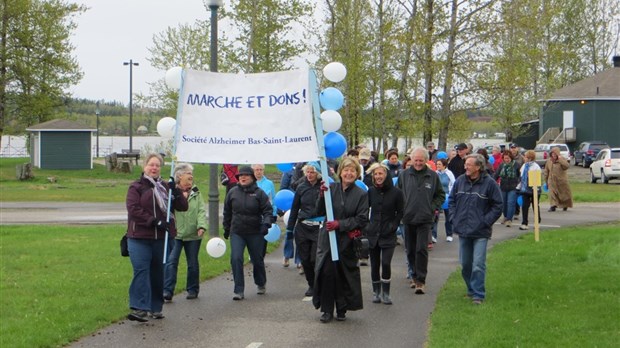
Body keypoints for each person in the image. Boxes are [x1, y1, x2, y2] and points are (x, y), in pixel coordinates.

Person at [126, 153, 188, 322]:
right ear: (144, 166)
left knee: (157, 272)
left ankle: (155, 307)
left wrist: (176, 190)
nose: (154, 168)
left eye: (157, 165)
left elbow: (183, 207)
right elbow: (133, 209)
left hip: (161, 239)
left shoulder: (167, 187)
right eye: (151, 165)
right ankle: (139, 308)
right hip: (138, 237)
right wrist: (153, 221)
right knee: (141, 270)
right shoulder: (136, 187)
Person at [313, 157, 369, 323]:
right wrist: (321, 195)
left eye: (352, 170)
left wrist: (340, 224)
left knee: (343, 274)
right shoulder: (331, 189)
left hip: (347, 241)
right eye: (346, 170)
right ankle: (327, 310)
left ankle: (342, 308)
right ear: (340, 172)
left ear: (357, 174)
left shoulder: (361, 194)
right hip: (328, 239)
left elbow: (361, 219)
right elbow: (319, 210)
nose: (349, 173)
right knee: (327, 273)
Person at [448, 154, 503, 305]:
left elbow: (498, 205)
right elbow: (451, 200)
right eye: (466, 164)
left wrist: (486, 221)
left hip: (481, 231)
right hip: (463, 229)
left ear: (478, 167)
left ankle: (478, 294)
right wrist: (453, 217)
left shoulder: (489, 184)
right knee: (465, 264)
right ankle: (471, 289)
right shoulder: (460, 181)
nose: (466, 167)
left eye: (469, 165)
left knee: (478, 263)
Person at [397, 148, 445, 294]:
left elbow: (440, 195)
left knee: (421, 249)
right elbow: (397, 194)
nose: (418, 163)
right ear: (411, 160)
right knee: (410, 249)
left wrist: (432, 207)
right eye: (415, 160)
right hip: (408, 218)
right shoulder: (404, 175)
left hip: (425, 219)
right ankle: (413, 275)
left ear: (425, 161)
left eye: (421, 161)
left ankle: (421, 280)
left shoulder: (432, 176)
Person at [223, 165, 273, 300]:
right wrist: (226, 228)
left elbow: (268, 210)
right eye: (240, 176)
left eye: (246, 175)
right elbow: (227, 212)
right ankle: (238, 290)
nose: (243, 177)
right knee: (236, 258)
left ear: (252, 178)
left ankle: (261, 283)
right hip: (237, 231)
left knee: (257, 260)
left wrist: (266, 224)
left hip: (255, 232)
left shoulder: (259, 193)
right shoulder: (232, 192)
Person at [163, 163, 207, 301]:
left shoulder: (196, 192)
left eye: (191, 174)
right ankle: (167, 291)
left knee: (192, 263)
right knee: (171, 262)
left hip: (193, 234)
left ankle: (192, 290)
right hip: (176, 234)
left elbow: (201, 210)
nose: (191, 176)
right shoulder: (171, 192)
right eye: (188, 173)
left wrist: (201, 226)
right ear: (179, 176)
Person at [366, 163, 404, 305]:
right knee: (375, 264)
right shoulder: (370, 191)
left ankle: (386, 293)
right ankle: (376, 292)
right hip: (373, 232)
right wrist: (367, 226)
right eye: (375, 174)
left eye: (380, 174)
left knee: (386, 263)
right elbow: (365, 209)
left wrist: (394, 225)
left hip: (388, 233)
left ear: (386, 175)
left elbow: (400, 211)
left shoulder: (396, 193)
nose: (378, 177)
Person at [286, 162, 323, 297]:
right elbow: (295, 209)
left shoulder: (324, 187)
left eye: (312, 172)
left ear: (318, 173)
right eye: (307, 172)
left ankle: (319, 284)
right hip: (302, 227)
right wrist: (289, 229)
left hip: (318, 227)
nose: (309, 175)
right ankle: (311, 284)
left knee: (314, 259)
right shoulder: (301, 188)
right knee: (305, 259)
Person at [252, 164, 277, 259]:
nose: (259, 172)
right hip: (253, 215)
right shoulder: (251, 183)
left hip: (266, 215)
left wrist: (273, 214)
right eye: (257, 169)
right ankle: (254, 255)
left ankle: (260, 257)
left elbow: (273, 199)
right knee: (253, 237)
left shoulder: (269, 183)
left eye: (261, 169)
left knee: (263, 238)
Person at [494, 151, 520, 227]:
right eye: (505, 158)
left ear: (511, 158)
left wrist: (518, 183)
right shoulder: (502, 165)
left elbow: (519, 175)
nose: (507, 160)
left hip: (513, 186)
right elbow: (497, 174)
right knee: (503, 203)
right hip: (503, 186)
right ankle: (505, 217)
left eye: (508, 158)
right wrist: (493, 181)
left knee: (510, 203)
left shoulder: (516, 165)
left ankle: (509, 219)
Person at [518, 150, 542, 230]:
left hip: (534, 189)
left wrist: (535, 189)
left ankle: (537, 222)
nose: (524, 158)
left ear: (530, 158)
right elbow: (521, 177)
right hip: (525, 190)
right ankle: (524, 223)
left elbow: (537, 179)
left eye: (525, 156)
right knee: (525, 206)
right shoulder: (524, 166)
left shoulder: (536, 167)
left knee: (535, 205)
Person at [544, 147, 573, 212]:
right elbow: (546, 171)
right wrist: (546, 180)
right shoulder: (549, 161)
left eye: (555, 154)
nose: (553, 155)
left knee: (564, 194)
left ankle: (565, 205)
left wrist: (560, 160)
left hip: (561, 181)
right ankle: (553, 206)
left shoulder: (562, 160)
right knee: (552, 193)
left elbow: (567, 166)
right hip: (551, 181)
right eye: (552, 154)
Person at [433, 158, 455, 242]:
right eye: (437, 164)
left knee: (448, 217)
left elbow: (454, 184)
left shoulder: (449, 173)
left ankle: (449, 234)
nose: (437, 166)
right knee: (435, 217)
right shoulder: (435, 174)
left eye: (439, 164)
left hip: (447, 198)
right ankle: (433, 235)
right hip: (438, 198)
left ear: (444, 165)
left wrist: (451, 195)